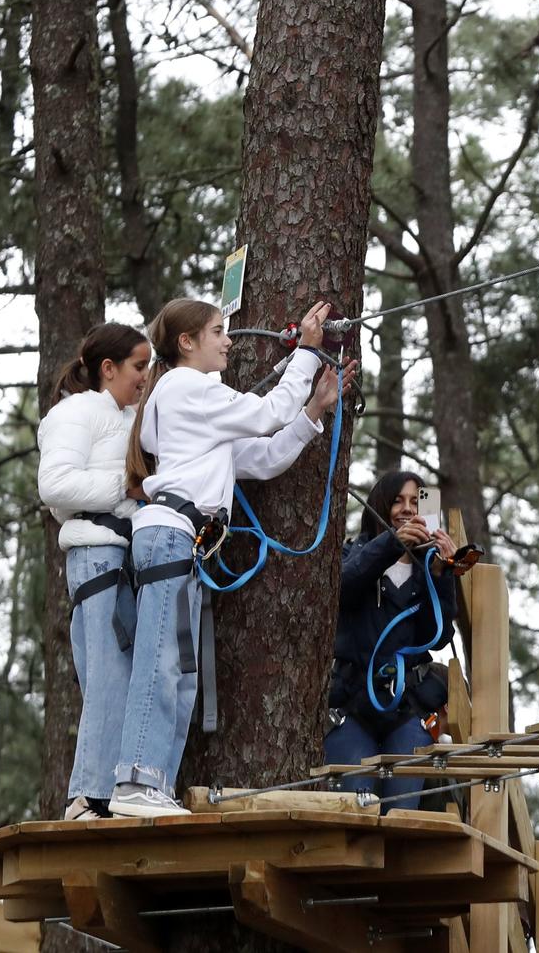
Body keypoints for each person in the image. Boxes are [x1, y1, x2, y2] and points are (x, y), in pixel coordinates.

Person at [111, 298, 353, 818]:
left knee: (180, 670)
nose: (228, 342)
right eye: (219, 332)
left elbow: (262, 458)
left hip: (180, 543)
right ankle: (135, 782)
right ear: (187, 343)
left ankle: (150, 785)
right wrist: (307, 353)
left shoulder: (194, 410)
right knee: (163, 662)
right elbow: (266, 415)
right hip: (172, 539)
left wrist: (312, 412)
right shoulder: (186, 389)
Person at [38, 322, 152, 821]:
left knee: (124, 677)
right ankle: (87, 796)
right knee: (108, 676)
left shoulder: (128, 415)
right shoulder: (76, 411)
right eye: (139, 367)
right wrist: (126, 484)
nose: (146, 377)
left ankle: (108, 793)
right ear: (108, 369)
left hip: (123, 557)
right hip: (96, 554)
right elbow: (56, 486)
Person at [325, 469, 459, 812]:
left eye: (416, 502)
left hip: (407, 707)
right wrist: (391, 543)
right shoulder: (354, 554)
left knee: (401, 809)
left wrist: (440, 577)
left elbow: (439, 635)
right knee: (352, 810)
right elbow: (342, 589)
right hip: (353, 704)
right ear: (380, 505)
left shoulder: (428, 567)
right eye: (398, 500)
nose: (408, 509)